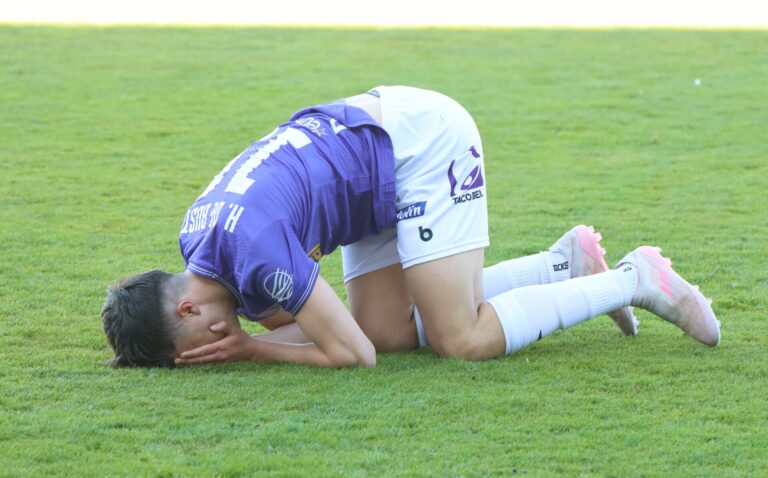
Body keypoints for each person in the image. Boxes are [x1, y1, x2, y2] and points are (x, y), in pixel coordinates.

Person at [102, 86, 720, 369]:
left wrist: (250, 349)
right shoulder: (199, 239)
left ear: (187, 309)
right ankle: (562, 265)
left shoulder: (256, 254)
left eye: (197, 347)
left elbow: (355, 356)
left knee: (460, 338)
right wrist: (261, 334)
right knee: (389, 329)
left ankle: (635, 278)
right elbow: (331, 329)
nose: (209, 351)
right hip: (367, 157)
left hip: (418, 147)